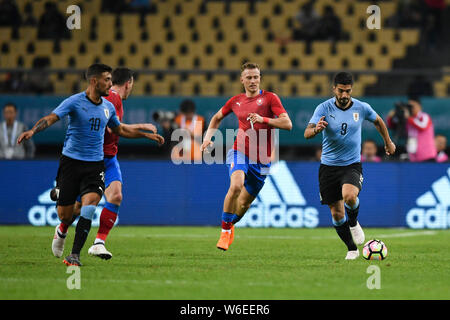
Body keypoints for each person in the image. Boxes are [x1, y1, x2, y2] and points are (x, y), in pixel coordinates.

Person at [18, 63, 164, 266]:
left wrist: (146, 135)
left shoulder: (109, 105)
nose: (110, 84)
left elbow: (118, 129)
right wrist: (33, 131)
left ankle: (80, 253)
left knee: (95, 204)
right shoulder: (78, 101)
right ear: (95, 81)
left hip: (97, 163)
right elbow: (52, 117)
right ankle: (62, 228)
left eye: (112, 80)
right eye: (106, 80)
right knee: (69, 213)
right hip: (73, 162)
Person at [200, 62, 292, 251]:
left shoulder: (270, 98)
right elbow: (217, 117)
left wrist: (264, 119)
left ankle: (230, 225)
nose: (253, 81)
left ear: (260, 78)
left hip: (262, 160)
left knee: (243, 204)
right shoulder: (235, 101)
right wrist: (208, 138)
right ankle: (224, 233)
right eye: (249, 77)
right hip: (239, 151)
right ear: (241, 80)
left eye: (256, 77)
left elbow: (287, 123)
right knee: (236, 185)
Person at [304, 72, 396, 260]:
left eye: (347, 91)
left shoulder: (362, 108)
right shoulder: (323, 108)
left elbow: (378, 121)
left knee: (349, 195)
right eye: (340, 91)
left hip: (351, 165)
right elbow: (307, 133)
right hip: (328, 167)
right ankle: (352, 248)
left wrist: (388, 142)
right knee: (337, 214)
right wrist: (316, 129)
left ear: (351, 90)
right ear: (334, 89)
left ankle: (353, 222)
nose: (344, 95)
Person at [387, 97, 437, 162]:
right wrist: (390, 117)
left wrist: (408, 117)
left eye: (412, 106)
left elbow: (422, 126)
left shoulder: (424, 116)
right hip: (413, 157)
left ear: (419, 106)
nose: (410, 108)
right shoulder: (407, 119)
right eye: (408, 106)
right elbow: (392, 126)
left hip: (427, 156)